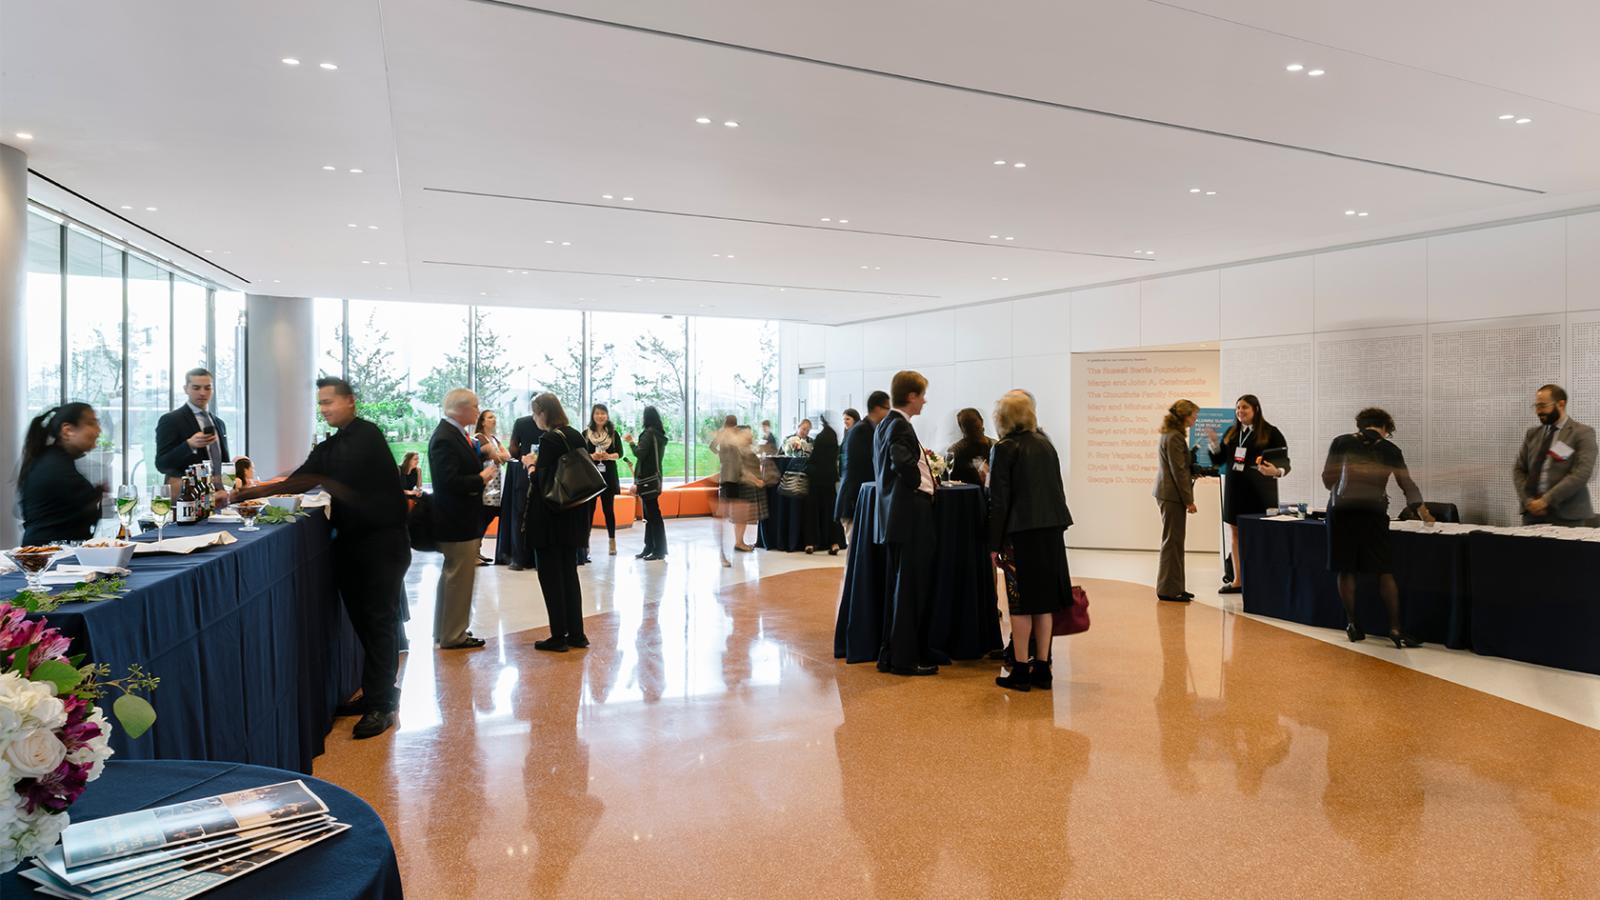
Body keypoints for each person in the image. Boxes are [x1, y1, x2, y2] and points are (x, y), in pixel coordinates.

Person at [227, 377, 411, 739]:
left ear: (351, 401)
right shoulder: (339, 441)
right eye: (321, 404)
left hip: (381, 546)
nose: (324, 409)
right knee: (367, 624)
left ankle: (382, 704)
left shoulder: (365, 436)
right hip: (356, 545)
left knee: (378, 624)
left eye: (330, 402)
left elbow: (312, 476)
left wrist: (250, 492)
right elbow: (305, 476)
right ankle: (378, 693)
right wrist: (258, 490)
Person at [1322, 408, 1432, 647]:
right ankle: (1394, 629)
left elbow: (1327, 481)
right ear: (1385, 428)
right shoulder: (1390, 449)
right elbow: (1407, 484)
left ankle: (1353, 624)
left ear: (1361, 425)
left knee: (1346, 569)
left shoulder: (1341, 442)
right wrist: (1423, 512)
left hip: (1341, 513)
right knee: (1384, 570)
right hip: (1373, 514)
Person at [988, 390, 1074, 691]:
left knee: (1020, 604)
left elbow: (998, 502)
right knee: (1045, 602)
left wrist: (992, 544)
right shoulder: (1045, 444)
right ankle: (1043, 668)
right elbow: (1057, 489)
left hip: (1019, 535)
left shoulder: (1004, 448)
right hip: (1050, 530)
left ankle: (1021, 669)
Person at [874, 371, 938, 677]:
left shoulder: (886, 423)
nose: (925, 400)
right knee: (910, 588)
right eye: (922, 394)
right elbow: (901, 463)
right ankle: (904, 658)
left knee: (900, 587)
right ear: (911, 396)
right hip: (910, 515)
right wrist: (919, 484)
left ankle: (893, 654)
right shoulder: (899, 424)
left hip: (895, 517)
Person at [428, 388, 498, 650]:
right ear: (460, 409)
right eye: (475, 406)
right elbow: (448, 481)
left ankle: (445, 630)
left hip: (457, 517)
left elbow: (458, 466)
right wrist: (481, 477)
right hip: (456, 518)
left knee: (452, 577)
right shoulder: (446, 437)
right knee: (459, 579)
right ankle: (454, 635)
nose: (478, 411)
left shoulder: (454, 434)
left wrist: (480, 456)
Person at [524, 393, 592, 652]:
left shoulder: (550, 439)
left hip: (551, 519)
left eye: (535, 413)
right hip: (573, 516)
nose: (534, 418)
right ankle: (576, 633)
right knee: (568, 575)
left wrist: (531, 466)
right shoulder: (575, 434)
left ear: (544, 412)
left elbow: (543, 483)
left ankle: (557, 636)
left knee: (551, 578)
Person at [1206, 394, 1290, 594]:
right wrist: (1215, 443)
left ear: (1256, 410)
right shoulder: (1232, 432)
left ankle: (1263, 579)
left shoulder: (1271, 432)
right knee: (1235, 534)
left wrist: (1277, 471)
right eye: (1237, 408)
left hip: (1260, 492)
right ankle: (1238, 581)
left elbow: (1284, 462)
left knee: (1260, 535)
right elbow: (1218, 460)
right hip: (1235, 490)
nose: (1240, 411)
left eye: (1244, 407)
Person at [17, 403, 104, 546]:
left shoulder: (53, 460)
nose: (98, 430)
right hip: (49, 559)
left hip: (51, 554)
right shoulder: (55, 467)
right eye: (91, 423)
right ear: (67, 430)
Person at [1513, 384, 1597, 526]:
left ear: (1561, 404)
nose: (1538, 411)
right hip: (1532, 514)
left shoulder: (1582, 433)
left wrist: (1546, 500)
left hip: (1567, 515)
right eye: (1536, 406)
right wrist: (1528, 501)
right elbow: (1519, 470)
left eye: (1543, 406)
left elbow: (1582, 473)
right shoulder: (1532, 434)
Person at [1153, 400, 1200, 603]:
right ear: (1184, 416)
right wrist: (1189, 500)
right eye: (1193, 415)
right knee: (1172, 542)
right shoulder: (1175, 437)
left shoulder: (1172, 434)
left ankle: (1176, 587)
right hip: (1172, 495)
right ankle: (1167, 590)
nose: (1195, 419)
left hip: (1169, 494)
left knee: (1175, 541)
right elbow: (1178, 471)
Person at [155, 368, 230, 490]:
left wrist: (226, 487)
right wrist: (189, 445)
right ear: (186, 389)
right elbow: (162, 465)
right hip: (187, 495)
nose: (202, 393)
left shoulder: (219, 423)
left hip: (218, 494)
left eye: (207, 388)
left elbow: (224, 463)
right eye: (196, 388)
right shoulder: (171, 420)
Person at [836, 391, 889, 543]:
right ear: (878, 409)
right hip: (854, 499)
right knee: (854, 555)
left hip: (860, 498)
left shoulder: (869, 429)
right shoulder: (861, 430)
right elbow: (860, 469)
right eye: (887, 409)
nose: (888, 413)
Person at [498, 397, 543, 570]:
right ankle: (538, 559)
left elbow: (513, 449)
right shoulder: (553, 426)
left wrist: (522, 458)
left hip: (524, 472)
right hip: (545, 474)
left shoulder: (521, 422)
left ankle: (518, 559)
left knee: (518, 515)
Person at [625, 406, 669, 561]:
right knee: (651, 515)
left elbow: (639, 453)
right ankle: (650, 547)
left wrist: (631, 442)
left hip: (646, 480)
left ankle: (658, 550)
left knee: (653, 516)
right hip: (655, 479)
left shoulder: (649, 434)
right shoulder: (659, 435)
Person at [584, 404, 624, 559]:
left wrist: (608, 456)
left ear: (607, 416)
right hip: (591, 476)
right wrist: (591, 456)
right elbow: (580, 453)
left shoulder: (613, 434)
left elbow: (620, 453)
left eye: (603, 413)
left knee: (609, 510)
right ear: (593, 416)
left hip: (608, 475)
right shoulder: (586, 434)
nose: (600, 416)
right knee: (589, 511)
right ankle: (585, 545)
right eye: (597, 413)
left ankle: (612, 541)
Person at [474, 410, 512, 565]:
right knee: (482, 517)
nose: (494, 420)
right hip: (485, 485)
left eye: (495, 417)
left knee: (488, 516)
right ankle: (474, 553)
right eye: (490, 417)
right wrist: (499, 456)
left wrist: (499, 455)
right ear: (482, 421)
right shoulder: (479, 438)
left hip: (496, 485)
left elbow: (507, 456)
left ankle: (477, 550)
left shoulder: (494, 439)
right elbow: (496, 457)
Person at [803, 414, 842, 555]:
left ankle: (810, 543)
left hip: (816, 480)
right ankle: (834, 542)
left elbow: (814, 459)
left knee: (812, 512)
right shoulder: (833, 437)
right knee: (830, 512)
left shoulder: (820, 438)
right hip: (830, 480)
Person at [711, 414, 744, 566]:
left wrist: (721, 456)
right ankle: (722, 553)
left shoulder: (729, 435)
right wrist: (722, 457)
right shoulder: (728, 435)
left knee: (728, 515)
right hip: (728, 478)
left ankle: (730, 548)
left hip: (732, 477)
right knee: (723, 516)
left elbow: (712, 446)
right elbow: (713, 446)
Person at [945, 408, 993, 486]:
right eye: (967, 423)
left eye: (973, 421)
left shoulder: (994, 447)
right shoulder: (955, 451)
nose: (972, 427)